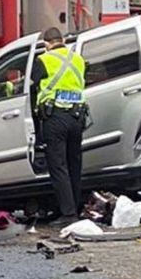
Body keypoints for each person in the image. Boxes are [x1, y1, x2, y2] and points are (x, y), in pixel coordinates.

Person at [35, 26, 87, 226]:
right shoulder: (78, 59)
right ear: (62, 40)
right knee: (74, 164)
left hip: (55, 117)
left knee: (58, 166)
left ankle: (68, 214)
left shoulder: (44, 60)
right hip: (76, 117)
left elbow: (31, 85)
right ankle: (75, 208)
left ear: (47, 44)